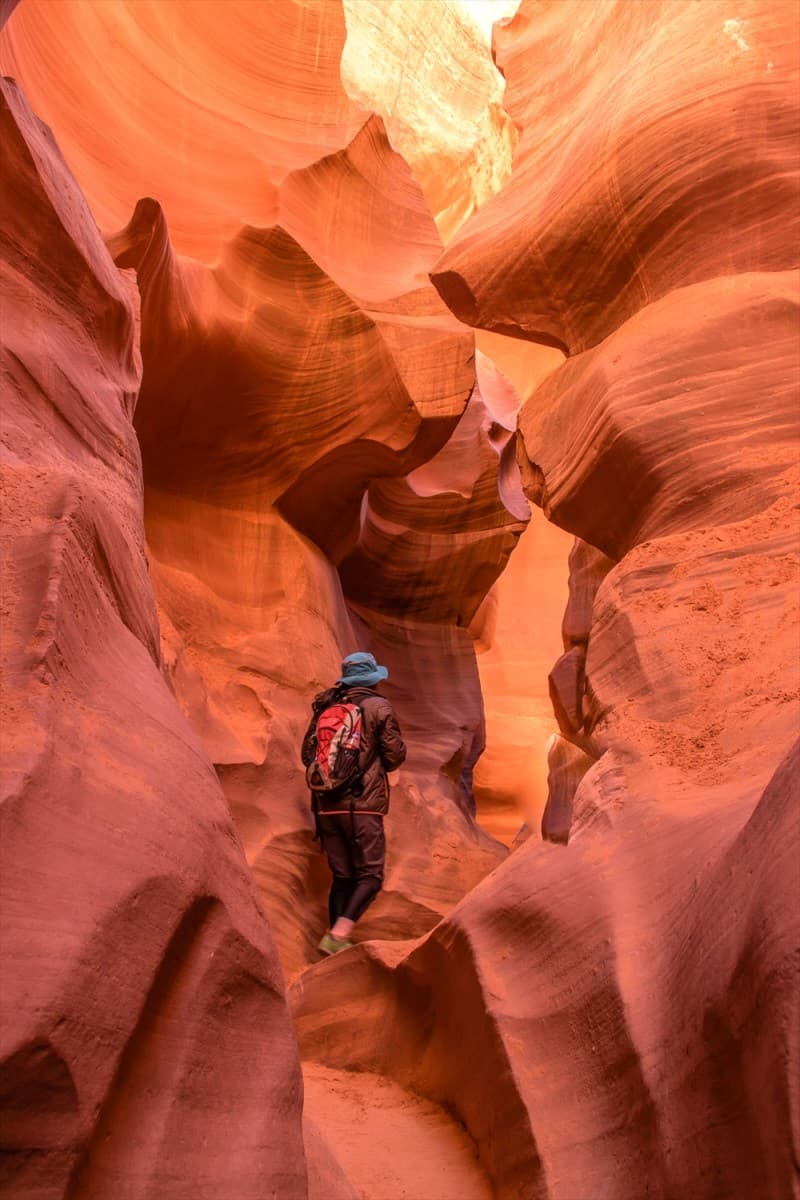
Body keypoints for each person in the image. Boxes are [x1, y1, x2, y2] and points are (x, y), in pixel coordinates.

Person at [302, 651, 406, 956]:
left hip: (326, 806)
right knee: (371, 876)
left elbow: (306, 756)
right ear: (373, 680)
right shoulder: (378, 707)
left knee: (343, 876)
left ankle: (333, 945)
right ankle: (339, 933)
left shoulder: (326, 706)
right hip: (362, 805)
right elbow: (395, 757)